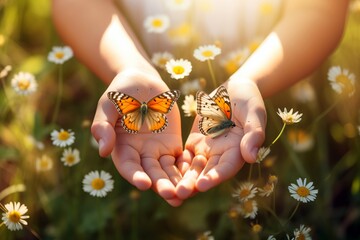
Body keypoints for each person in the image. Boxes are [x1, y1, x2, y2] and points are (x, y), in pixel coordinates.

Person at [51, 0, 349, 207]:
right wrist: (129, 67)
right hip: (134, 45)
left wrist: (251, 79)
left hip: (278, 64)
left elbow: (319, 7)